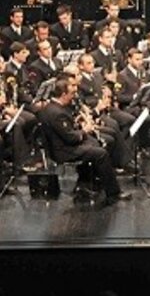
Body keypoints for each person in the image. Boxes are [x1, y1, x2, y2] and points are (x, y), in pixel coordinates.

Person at [39, 77, 131, 205]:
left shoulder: (51, 108)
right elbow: (71, 138)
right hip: (63, 151)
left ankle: (87, 182)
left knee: (98, 142)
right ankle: (113, 193)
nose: (73, 96)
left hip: (61, 145)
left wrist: (78, 125)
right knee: (101, 153)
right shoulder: (57, 113)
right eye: (71, 93)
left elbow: (66, 130)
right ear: (63, 94)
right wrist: (85, 130)